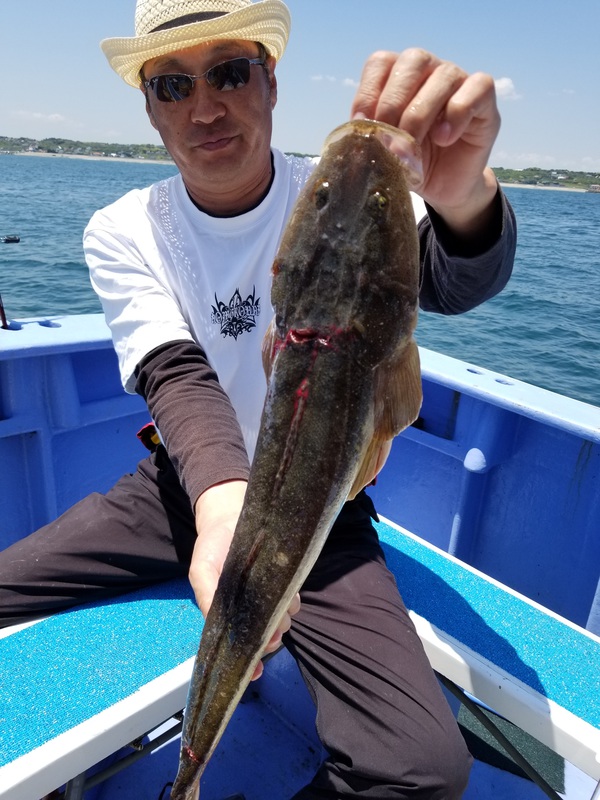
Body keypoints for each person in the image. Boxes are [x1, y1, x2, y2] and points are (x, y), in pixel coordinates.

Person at [0, 1, 517, 797]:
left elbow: (452, 278)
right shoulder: (124, 227)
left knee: (422, 771)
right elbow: (174, 374)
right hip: (181, 489)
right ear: (149, 107)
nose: (204, 107)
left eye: (230, 72)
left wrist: (463, 204)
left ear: (271, 81)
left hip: (322, 510)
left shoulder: (342, 192)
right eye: (173, 85)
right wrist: (221, 509)